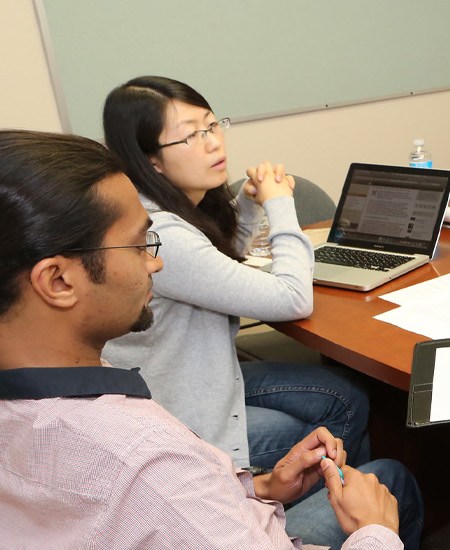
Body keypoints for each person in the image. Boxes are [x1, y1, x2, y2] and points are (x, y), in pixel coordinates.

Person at [0, 129, 425, 549]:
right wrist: (375, 532)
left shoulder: (48, 393)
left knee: (342, 400)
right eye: (137, 246)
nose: (156, 262)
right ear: (57, 281)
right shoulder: (149, 464)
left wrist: (262, 488)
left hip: (235, 508)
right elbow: (170, 498)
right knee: (391, 480)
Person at [100, 76, 371, 473]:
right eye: (190, 136)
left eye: (212, 125)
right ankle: (297, 514)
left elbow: (213, 262)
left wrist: (246, 207)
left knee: (346, 396)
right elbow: (293, 299)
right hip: (183, 414)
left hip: (201, 379)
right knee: (315, 428)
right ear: (150, 159)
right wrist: (280, 205)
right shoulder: (160, 233)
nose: (213, 142)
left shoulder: (154, 205)